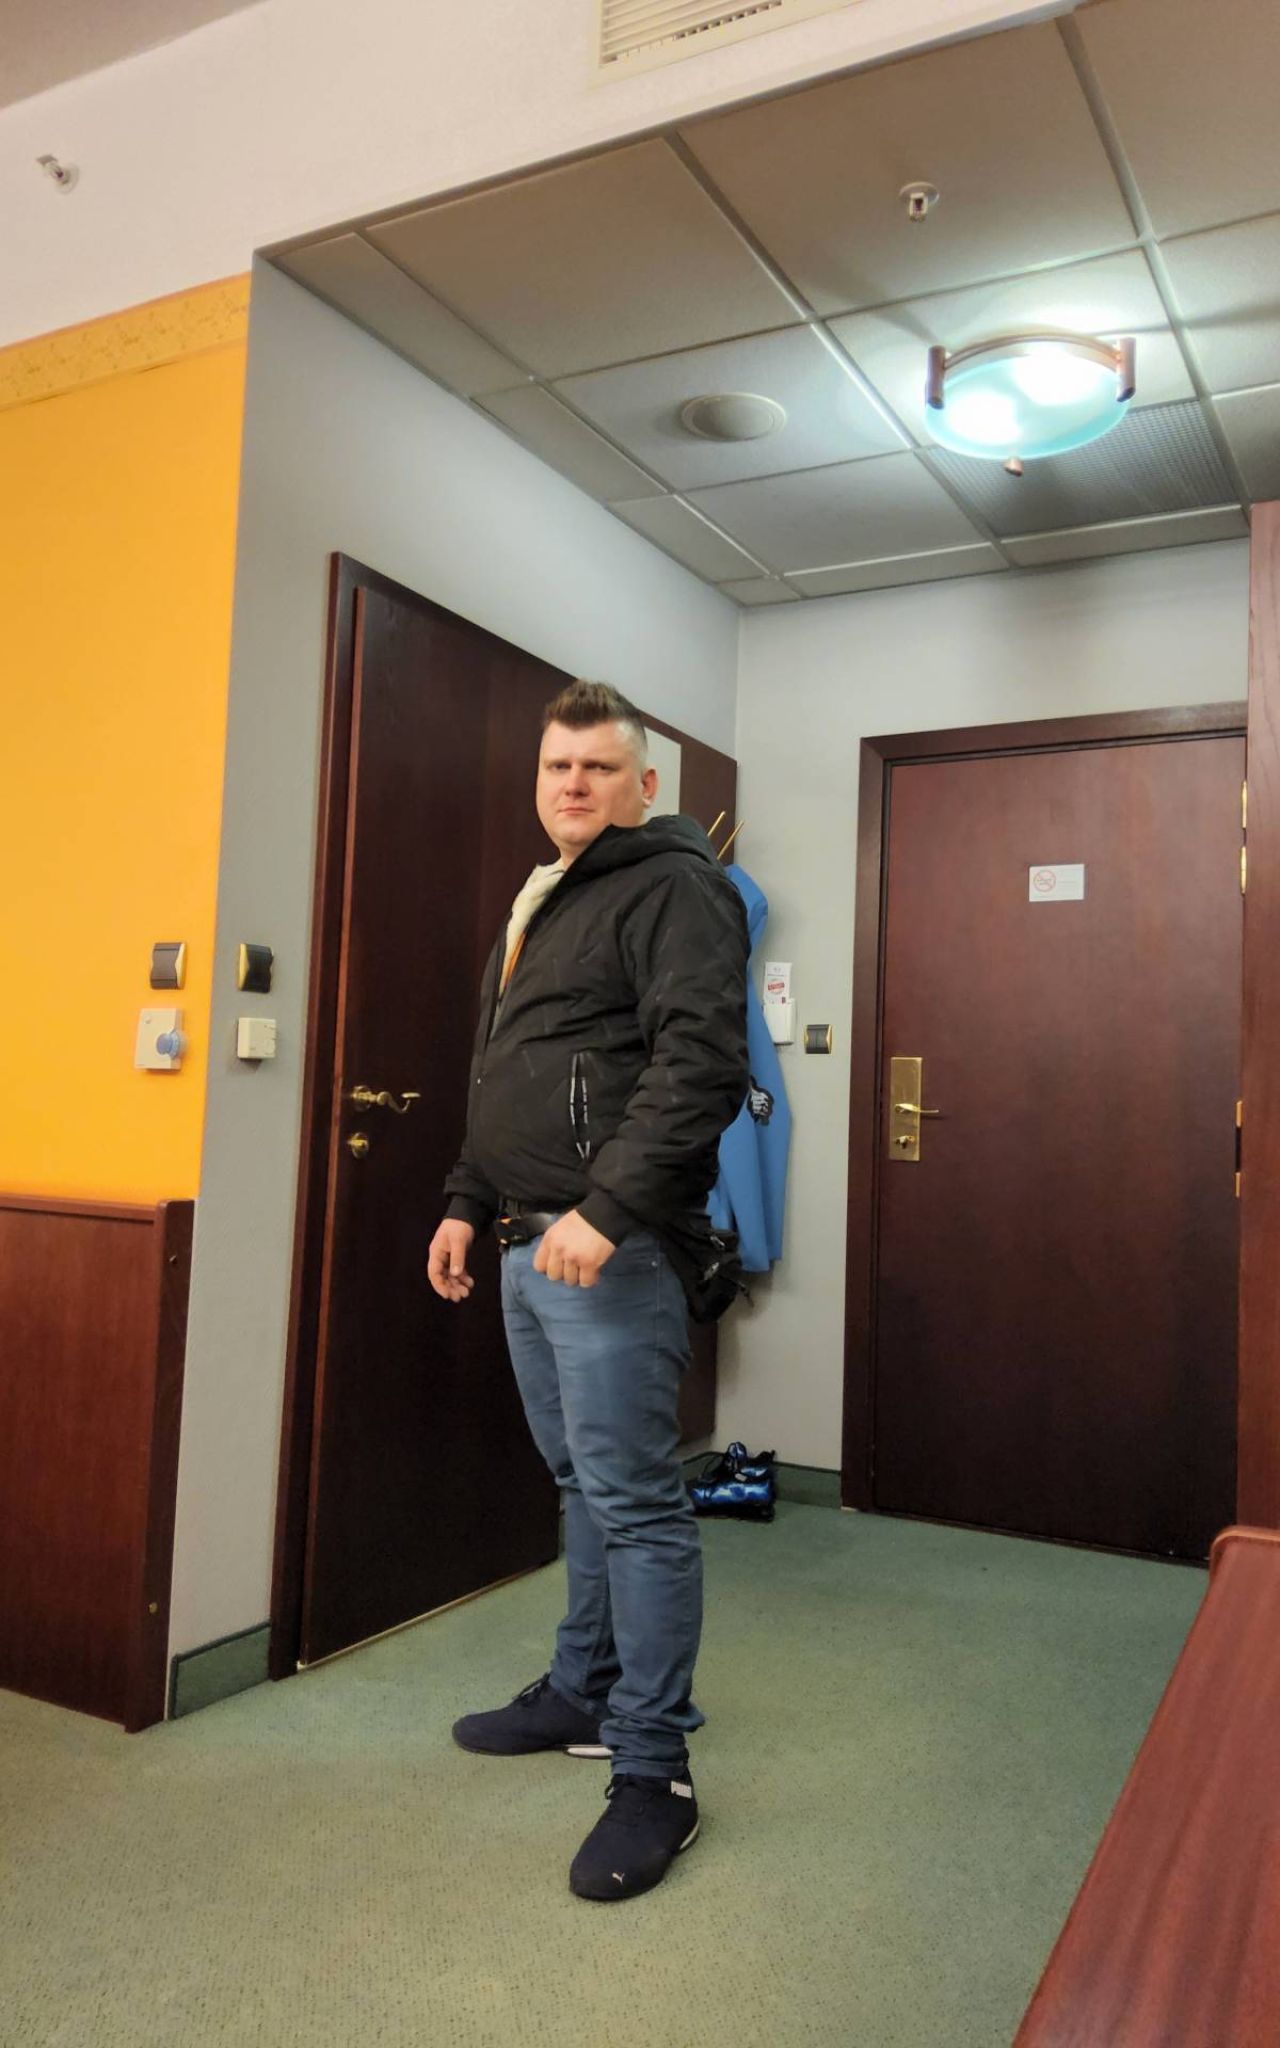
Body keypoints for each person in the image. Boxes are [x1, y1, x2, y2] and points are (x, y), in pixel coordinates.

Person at [427, 679, 749, 1902]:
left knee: (637, 1502)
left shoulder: (673, 886)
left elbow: (697, 1065)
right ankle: (582, 1691)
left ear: (643, 785)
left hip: (607, 1249)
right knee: (579, 1482)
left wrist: (605, 1211)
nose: (573, 784)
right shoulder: (546, 896)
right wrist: (466, 1198)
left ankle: (654, 1769)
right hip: (525, 1239)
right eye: (557, 766)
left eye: (598, 767)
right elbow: (504, 1072)